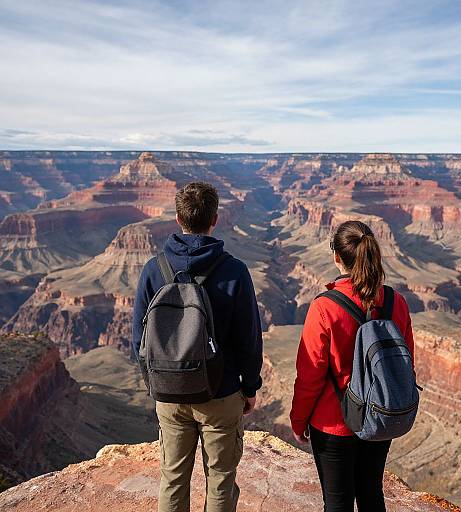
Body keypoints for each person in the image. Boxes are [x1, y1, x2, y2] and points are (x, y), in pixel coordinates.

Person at [132, 182, 263, 512]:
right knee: (220, 479)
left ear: (178, 218)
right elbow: (248, 338)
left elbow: (138, 339)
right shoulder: (234, 271)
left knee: (173, 480)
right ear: (215, 219)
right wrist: (250, 387)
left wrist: (159, 379)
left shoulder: (154, 269)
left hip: (170, 394)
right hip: (222, 394)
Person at [290, 220, 414, 512]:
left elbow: (310, 375)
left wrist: (298, 421)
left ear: (336, 256)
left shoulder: (324, 307)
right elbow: (407, 362)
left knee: (337, 502)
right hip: (380, 417)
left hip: (334, 423)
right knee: (372, 495)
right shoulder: (397, 302)